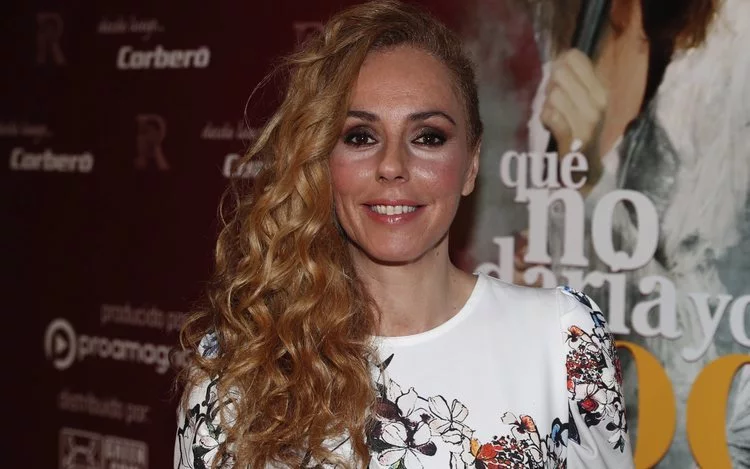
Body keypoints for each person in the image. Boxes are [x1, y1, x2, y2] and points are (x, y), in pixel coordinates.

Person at [174, 1, 634, 468]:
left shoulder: (563, 340)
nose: (392, 165)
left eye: (428, 137)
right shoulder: (237, 369)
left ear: (471, 164)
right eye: (360, 136)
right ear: (321, 161)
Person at [523, 0, 750, 466]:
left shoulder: (734, 31)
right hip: (576, 426)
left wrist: (588, 187)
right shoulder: (566, 17)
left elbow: (699, 315)